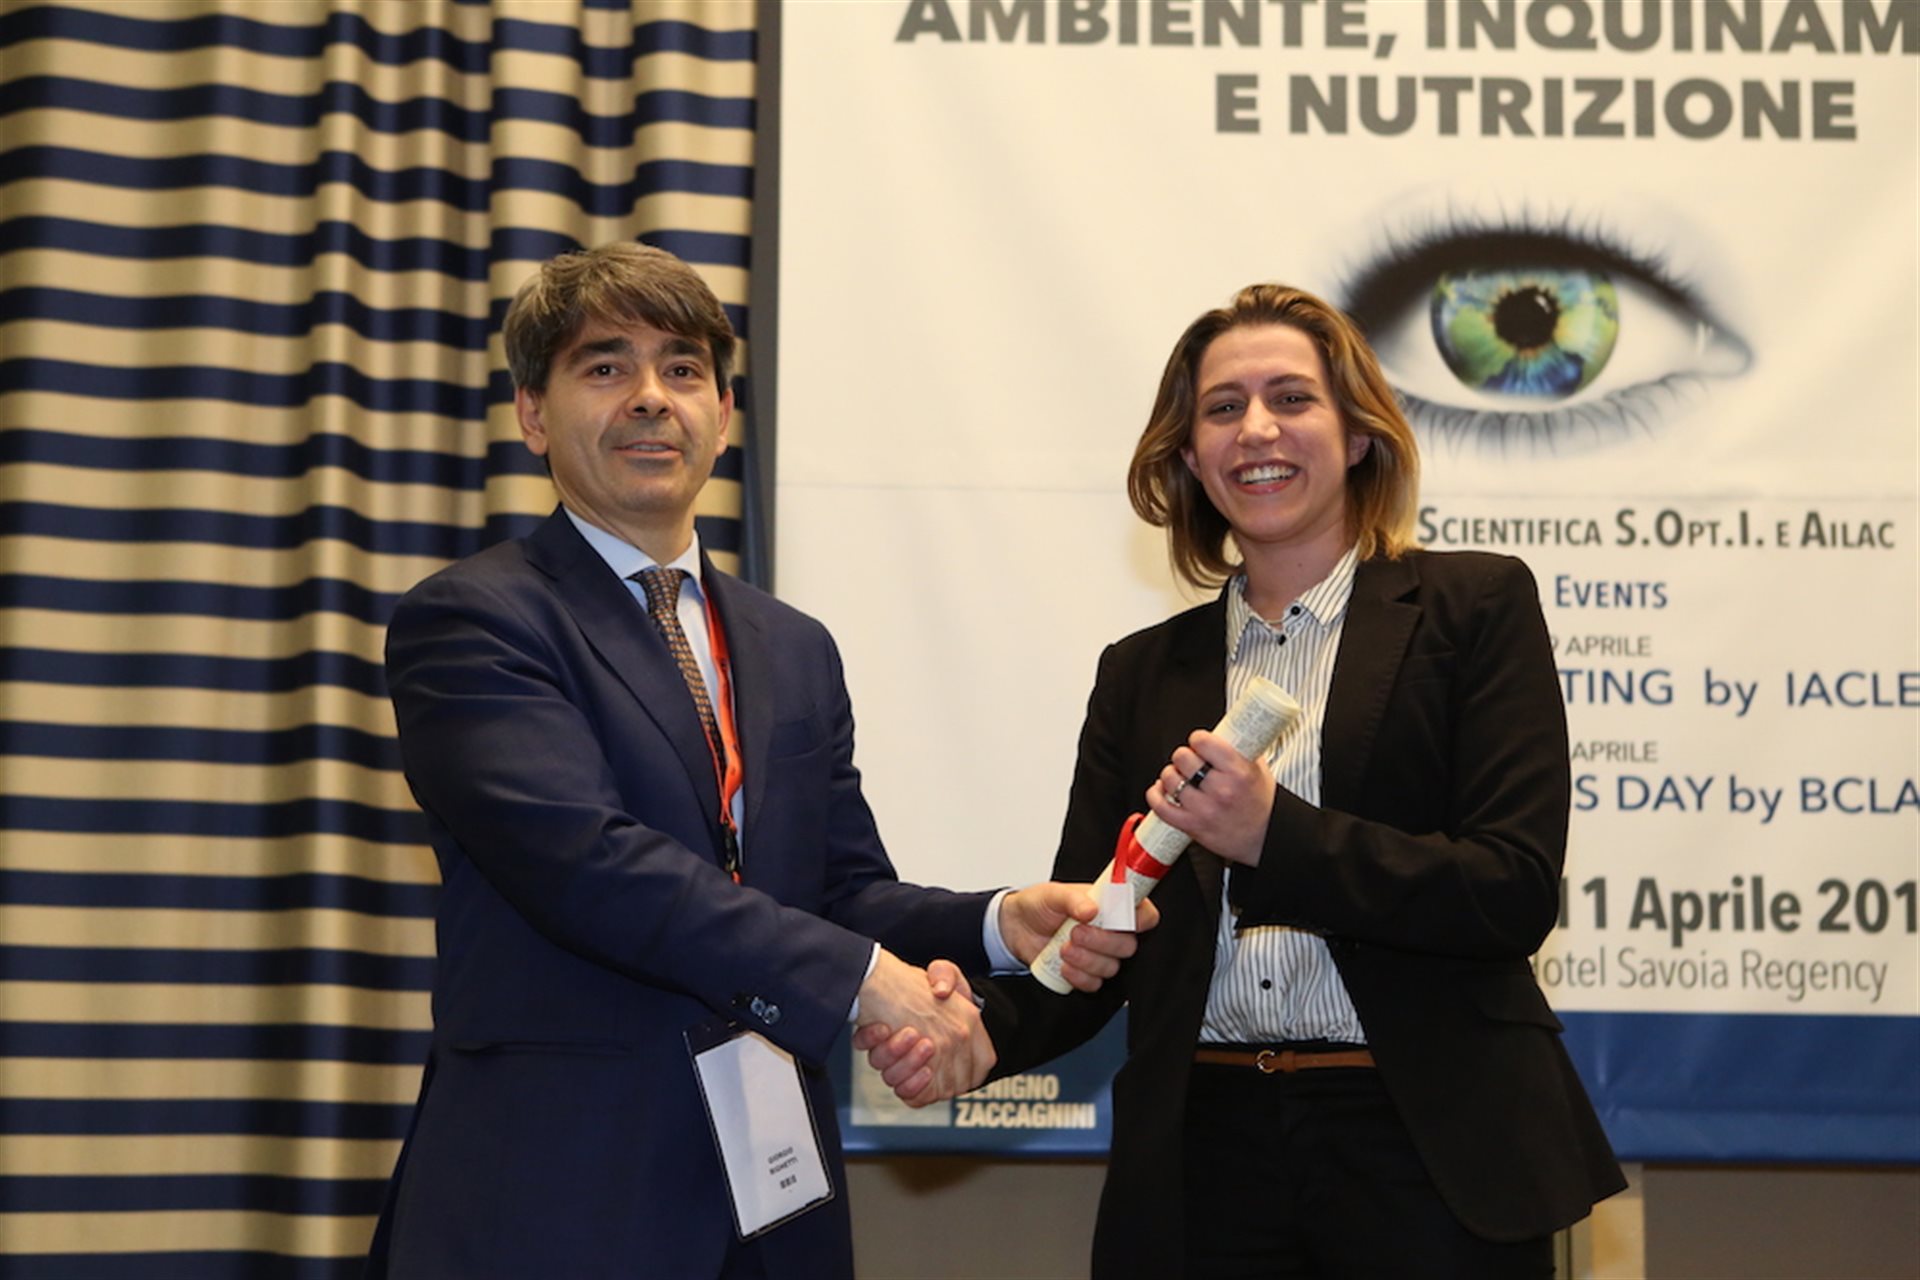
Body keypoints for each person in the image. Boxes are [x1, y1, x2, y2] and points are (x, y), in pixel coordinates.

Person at [365, 241, 1150, 1280]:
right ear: (532, 414)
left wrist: (996, 925)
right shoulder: (474, 620)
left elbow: (838, 890)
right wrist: (867, 983)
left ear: (724, 413)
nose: (652, 397)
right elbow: (589, 865)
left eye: (683, 368)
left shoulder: (792, 645)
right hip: (560, 1190)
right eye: (606, 366)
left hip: (772, 1206)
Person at [864, 283, 1624, 1277]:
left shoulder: (1473, 607)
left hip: (1427, 1147)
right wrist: (976, 1036)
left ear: (1359, 434)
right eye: (1223, 408)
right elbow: (1102, 931)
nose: (1256, 428)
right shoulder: (1141, 672)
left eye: (1291, 398)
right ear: (1189, 456)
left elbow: (1509, 889)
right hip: (1203, 1150)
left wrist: (1276, 837)